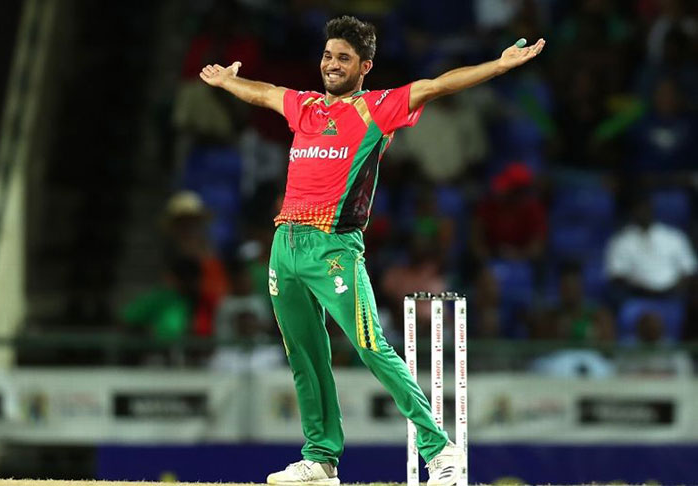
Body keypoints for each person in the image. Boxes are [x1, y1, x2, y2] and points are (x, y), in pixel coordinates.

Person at [200, 15, 545, 486]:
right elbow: (264, 93)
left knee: (371, 347)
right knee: (304, 354)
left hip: (334, 249)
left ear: (365, 66)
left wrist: (497, 67)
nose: (332, 64)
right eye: (327, 55)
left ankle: (440, 449)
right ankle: (320, 458)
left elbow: (438, 85)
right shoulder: (304, 107)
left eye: (344, 58)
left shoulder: (377, 108)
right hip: (285, 247)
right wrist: (229, 81)